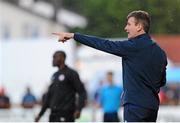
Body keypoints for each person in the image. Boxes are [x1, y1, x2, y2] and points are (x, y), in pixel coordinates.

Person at [52, 10, 167, 122]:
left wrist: (74, 35)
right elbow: (162, 82)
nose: (125, 28)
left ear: (139, 27)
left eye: (129, 24)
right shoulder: (160, 52)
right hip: (152, 107)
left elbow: (103, 44)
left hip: (135, 106)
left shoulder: (132, 47)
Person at [35, 51, 87, 122]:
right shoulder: (54, 75)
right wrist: (40, 114)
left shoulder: (71, 73)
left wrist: (79, 109)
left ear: (62, 58)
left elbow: (82, 92)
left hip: (66, 114)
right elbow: (49, 96)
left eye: (54, 57)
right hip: (53, 114)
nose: (53, 60)